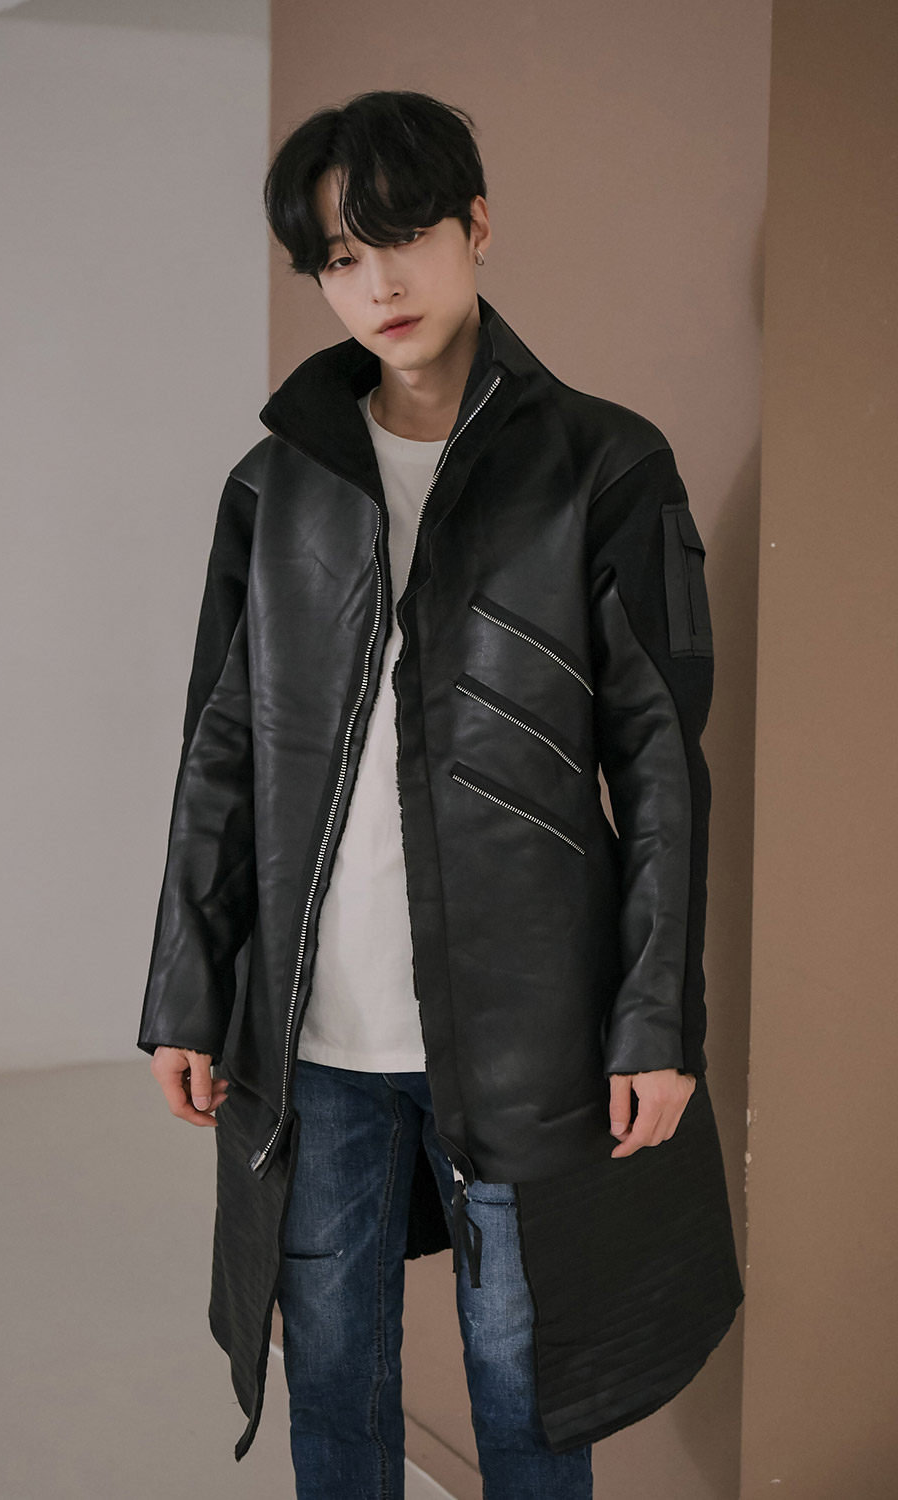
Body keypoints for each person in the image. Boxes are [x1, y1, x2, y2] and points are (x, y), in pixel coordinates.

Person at [137, 89, 744, 1500]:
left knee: (532, 1404)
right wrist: (187, 986)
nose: (379, 283)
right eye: (342, 257)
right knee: (333, 1391)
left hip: (531, 1036)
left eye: (404, 234)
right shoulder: (275, 486)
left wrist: (655, 1019)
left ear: (478, 225)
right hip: (314, 1036)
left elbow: (662, 765)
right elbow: (220, 746)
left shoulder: (605, 464)